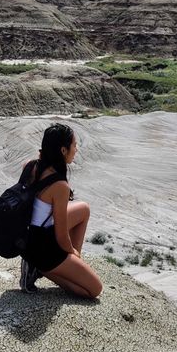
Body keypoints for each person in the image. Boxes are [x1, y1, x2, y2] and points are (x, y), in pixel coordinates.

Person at [17, 123, 102, 299]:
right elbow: (61, 236)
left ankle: (60, 266)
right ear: (63, 150)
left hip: (27, 237)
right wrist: (72, 252)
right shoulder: (60, 186)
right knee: (94, 290)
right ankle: (42, 269)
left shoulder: (29, 165)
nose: (76, 149)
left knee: (83, 209)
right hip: (42, 247)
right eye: (74, 145)